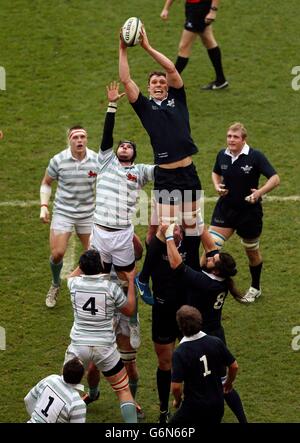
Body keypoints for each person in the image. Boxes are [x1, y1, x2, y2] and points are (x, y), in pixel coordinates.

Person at [119, 26, 203, 302]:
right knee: (165, 229)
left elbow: (173, 69)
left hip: (188, 173)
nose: (159, 84)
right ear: (149, 88)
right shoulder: (144, 107)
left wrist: (147, 47)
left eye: (162, 82)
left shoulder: (178, 98)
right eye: (154, 83)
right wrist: (123, 48)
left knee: (192, 226)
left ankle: (190, 273)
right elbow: (126, 80)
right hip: (166, 177)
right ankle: (144, 278)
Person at [162, 222, 248, 422]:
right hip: (217, 334)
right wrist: (198, 224)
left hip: (203, 338)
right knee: (223, 382)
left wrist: (168, 237)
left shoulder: (205, 283)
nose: (211, 257)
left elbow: (176, 265)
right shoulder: (220, 280)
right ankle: (243, 420)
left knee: (202, 382)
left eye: (214, 260)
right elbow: (211, 248)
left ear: (216, 270)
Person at [90, 81, 155, 303]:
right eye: (122, 146)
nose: (124, 147)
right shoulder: (106, 161)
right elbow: (107, 135)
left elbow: (165, 170)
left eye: (129, 146)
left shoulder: (140, 171)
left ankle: (132, 319)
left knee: (127, 276)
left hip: (121, 234)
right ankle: (104, 313)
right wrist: (111, 105)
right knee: (99, 276)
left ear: (134, 154)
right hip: (99, 231)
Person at [206, 122, 280, 302]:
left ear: (243, 139)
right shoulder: (222, 155)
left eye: (235, 137)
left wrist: (260, 193)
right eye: (229, 136)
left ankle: (255, 288)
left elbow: (275, 178)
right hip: (225, 210)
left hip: (249, 213)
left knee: (251, 252)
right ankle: (205, 284)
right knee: (210, 245)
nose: (231, 140)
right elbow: (215, 173)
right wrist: (217, 186)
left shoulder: (255, 157)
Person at [64, 249, 138, 423]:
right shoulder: (111, 288)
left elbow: (70, 276)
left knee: (66, 390)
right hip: (105, 348)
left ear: (82, 267)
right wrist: (131, 281)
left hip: (78, 347)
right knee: (123, 391)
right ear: (101, 266)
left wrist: (82, 263)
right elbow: (128, 309)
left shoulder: (73, 284)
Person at [40, 126, 98, 308]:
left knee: (94, 255)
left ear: (86, 139)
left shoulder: (96, 160)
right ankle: (56, 284)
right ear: (69, 140)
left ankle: (84, 286)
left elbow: (105, 183)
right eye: (75, 137)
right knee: (57, 254)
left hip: (87, 213)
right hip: (63, 212)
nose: (79, 140)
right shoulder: (58, 160)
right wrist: (43, 206)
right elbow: (46, 183)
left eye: (83, 137)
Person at [149, 225, 202, 423]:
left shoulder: (191, 242)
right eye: (170, 227)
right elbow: (152, 232)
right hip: (163, 312)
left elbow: (195, 218)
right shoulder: (155, 246)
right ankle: (164, 410)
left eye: (178, 226)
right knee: (164, 362)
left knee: (194, 359)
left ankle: (192, 403)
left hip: (188, 312)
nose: (175, 230)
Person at [170, 305, 238, 424]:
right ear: (200, 320)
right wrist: (228, 383)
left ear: (180, 327)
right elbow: (234, 366)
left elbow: (176, 387)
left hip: (193, 407)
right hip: (217, 404)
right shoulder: (215, 342)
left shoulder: (180, 352)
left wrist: (177, 401)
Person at [160, 0, 228, 90]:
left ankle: (170, 82)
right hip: (191, 6)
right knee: (208, 41)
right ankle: (221, 80)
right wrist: (166, 8)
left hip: (200, 8)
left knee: (184, 47)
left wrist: (213, 10)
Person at [24, 357, 86, 423]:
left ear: (63, 370)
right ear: (81, 377)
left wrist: (37, 419)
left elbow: (28, 399)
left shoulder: (50, 379)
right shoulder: (77, 403)